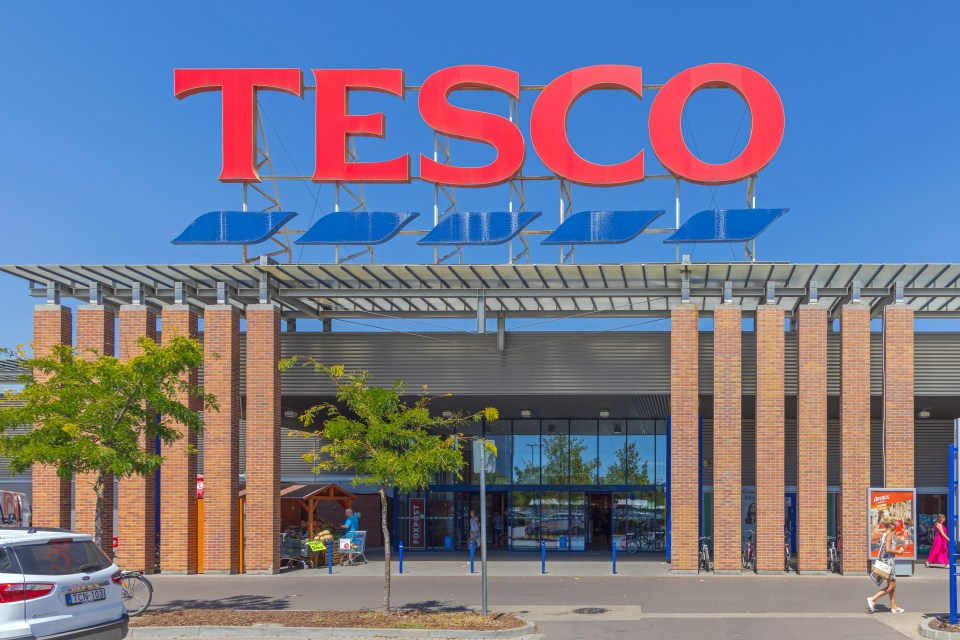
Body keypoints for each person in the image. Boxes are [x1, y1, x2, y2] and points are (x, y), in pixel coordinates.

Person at [867, 518, 906, 614]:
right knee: (891, 587)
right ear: (890, 525)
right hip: (888, 563)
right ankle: (873, 599)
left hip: (887, 562)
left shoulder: (886, 533)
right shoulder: (889, 534)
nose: (896, 526)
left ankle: (894, 606)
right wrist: (898, 552)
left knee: (892, 586)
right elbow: (888, 549)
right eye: (895, 524)